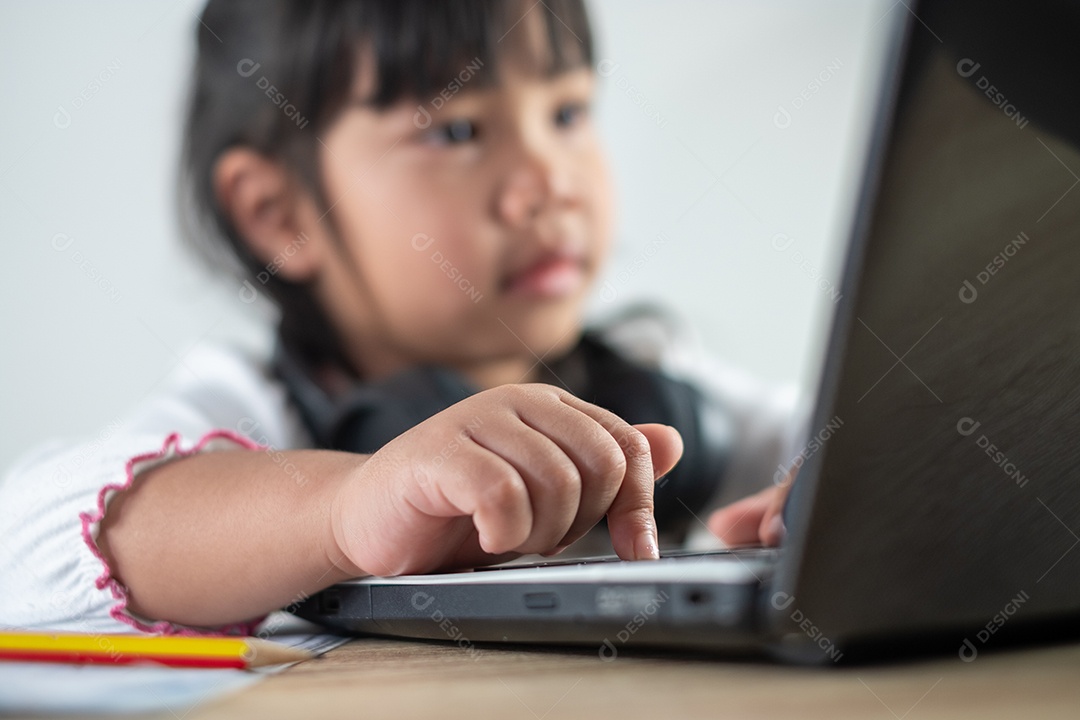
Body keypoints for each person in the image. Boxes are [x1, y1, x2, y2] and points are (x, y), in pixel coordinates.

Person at [0, 0, 796, 637]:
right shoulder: (253, 410)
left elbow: (837, 433)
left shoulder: (647, 379)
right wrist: (341, 511)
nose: (548, 182)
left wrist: (825, 485)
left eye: (567, 114)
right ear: (280, 213)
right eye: (457, 130)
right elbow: (23, 542)